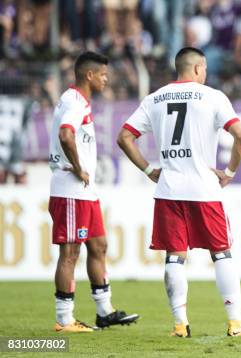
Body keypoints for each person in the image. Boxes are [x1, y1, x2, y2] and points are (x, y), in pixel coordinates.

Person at [116, 47, 241, 338]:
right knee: (221, 253)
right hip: (204, 188)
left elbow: (124, 137)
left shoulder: (154, 98)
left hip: (169, 188)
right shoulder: (212, 96)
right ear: (197, 69)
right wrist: (229, 173)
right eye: (204, 69)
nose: (205, 74)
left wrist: (148, 170)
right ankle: (236, 324)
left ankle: (180, 325)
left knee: (174, 257)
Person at [48, 51, 139, 333]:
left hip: (85, 193)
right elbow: (66, 134)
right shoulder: (74, 101)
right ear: (89, 75)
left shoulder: (77, 101)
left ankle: (105, 312)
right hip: (71, 190)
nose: (106, 78)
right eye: (102, 74)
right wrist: (77, 167)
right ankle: (64, 319)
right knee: (71, 252)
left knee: (98, 245)